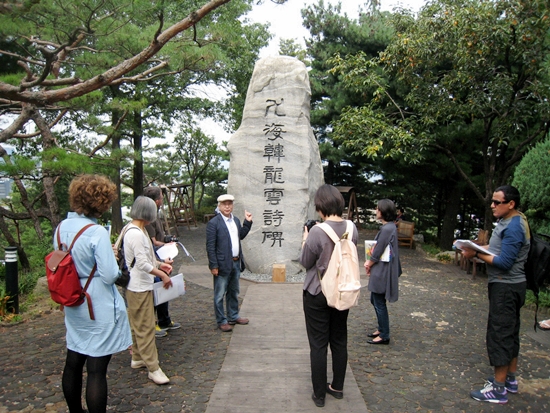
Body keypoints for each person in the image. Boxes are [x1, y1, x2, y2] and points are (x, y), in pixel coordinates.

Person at [57, 174, 132, 413]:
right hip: (97, 303)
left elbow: (69, 260)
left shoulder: (61, 228)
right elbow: (110, 274)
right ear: (101, 202)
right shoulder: (96, 231)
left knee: (74, 361)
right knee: (97, 370)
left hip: (73, 298)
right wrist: (113, 257)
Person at [461, 185, 529, 404]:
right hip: (507, 286)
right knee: (509, 332)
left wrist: (477, 253)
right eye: (492, 201)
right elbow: (498, 248)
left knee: (500, 334)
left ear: (511, 204)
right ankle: (509, 380)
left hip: (506, 287)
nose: (492, 205)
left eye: (497, 202)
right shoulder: (509, 221)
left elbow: (504, 262)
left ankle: (498, 389)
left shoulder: (515, 226)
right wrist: (478, 248)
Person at [300, 184, 358, 408]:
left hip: (317, 292)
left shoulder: (316, 231)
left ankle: (319, 394)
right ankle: (338, 387)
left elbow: (306, 262)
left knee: (318, 344)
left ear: (320, 206)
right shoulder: (352, 228)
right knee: (339, 339)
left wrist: (305, 238)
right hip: (342, 290)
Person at [124, 196, 174, 385]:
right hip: (138, 286)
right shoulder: (136, 233)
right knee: (145, 327)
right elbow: (144, 264)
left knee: (137, 324)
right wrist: (162, 275)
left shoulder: (137, 229)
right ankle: (153, 368)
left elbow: (148, 259)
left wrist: (162, 264)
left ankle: (137, 358)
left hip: (139, 285)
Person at [206, 194, 253, 332]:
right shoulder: (214, 223)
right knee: (219, 293)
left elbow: (241, 235)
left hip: (235, 262)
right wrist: (213, 265)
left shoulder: (236, 221)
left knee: (233, 291)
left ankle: (233, 316)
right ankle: (221, 320)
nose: (227, 206)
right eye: (224, 204)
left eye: (229, 204)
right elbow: (210, 246)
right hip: (221, 264)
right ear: (219, 206)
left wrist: (248, 222)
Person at [142, 186, 180, 337]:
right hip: (155, 258)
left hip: (160, 258)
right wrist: (167, 246)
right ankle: (153, 323)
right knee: (155, 289)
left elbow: (160, 237)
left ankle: (164, 319)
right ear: (157, 201)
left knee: (164, 288)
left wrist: (168, 240)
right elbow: (153, 242)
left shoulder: (156, 215)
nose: (163, 200)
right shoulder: (148, 218)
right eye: (161, 198)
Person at [364, 199, 401, 345]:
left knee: (379, 301)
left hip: (383, 269)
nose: (376, 211)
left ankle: (384, 334)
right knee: (375, 299)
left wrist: (369, 263)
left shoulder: (387, 229)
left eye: (378, 209)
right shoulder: (390, 227)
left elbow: (378, 250)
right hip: (383, 267)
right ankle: (381, 328)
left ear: (383, 211)